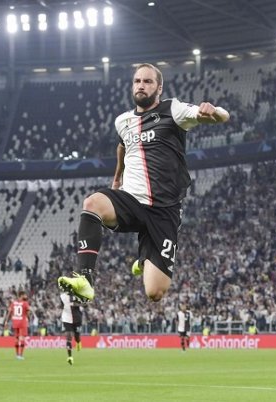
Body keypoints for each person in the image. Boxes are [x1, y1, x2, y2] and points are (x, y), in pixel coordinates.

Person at [58, 63, 230, 302]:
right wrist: (117, 177)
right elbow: (122, 145)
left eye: (148, 81)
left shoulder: (174, 109)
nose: (141, 85)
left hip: (164, 210)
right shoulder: (123, 121)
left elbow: (221, 116)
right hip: (132, 200)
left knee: (154, 293)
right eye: (138, 81)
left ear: (159, 88)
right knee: (92, 203)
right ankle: (85, 278)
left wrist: (214, 111)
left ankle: (145, 257)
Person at [4, 290, 31, 360]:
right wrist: (29, 318)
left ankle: (17, 355)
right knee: (22, 338)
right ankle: (21, 355)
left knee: (16, 339)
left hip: (15, 322)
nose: (26, 296)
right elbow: (28, 313)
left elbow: (9, 313)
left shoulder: (13, 303)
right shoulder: (25, 303)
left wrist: (6, 321)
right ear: (21, 295)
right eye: (25, 295)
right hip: (22, 322)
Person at [60, 292, 83, 365]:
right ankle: (70, 357)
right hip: (66, 319)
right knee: (68, 336)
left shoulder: (78, 294)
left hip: (77, 319)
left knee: (77, 337)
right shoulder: (62, 296)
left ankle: (78, 342)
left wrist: (75, 304)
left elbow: (84, 304)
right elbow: (61, 305)